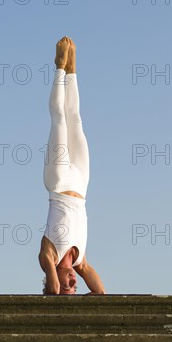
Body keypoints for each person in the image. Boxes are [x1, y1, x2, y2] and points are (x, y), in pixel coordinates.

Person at [38, 36, 106, 295]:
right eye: (75, 288)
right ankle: (73, 70)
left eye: (69, 287)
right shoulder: (81, 262)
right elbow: (100, 295)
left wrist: (58, 293)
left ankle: (58, 66)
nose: (73, 284)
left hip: (57, 183)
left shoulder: (48, 257)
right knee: (76, 118)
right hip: (81, 184)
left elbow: (54, 288)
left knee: (59, 119)